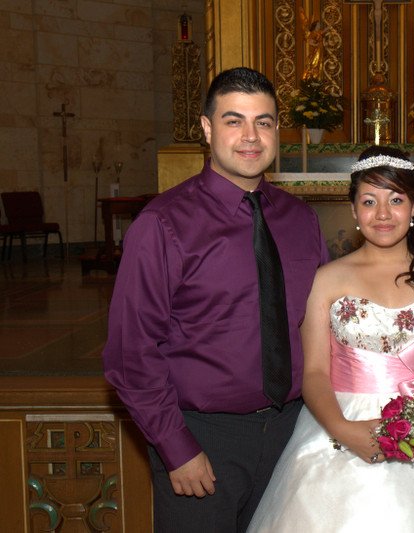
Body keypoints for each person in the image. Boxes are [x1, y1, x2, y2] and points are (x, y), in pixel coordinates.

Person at [103, 67, 328, 532]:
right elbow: (131, 353)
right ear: (207, 129)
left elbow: (327, 324)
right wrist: (176, 447)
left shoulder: (300, 219)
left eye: (263, 122)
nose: (250, 136)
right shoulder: (163, 224)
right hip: (204, 439)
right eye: (233, 120)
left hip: (292, 433)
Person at [246, 146, 414, 532]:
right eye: (369, 201)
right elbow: (315, 371)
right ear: (354, 211)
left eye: (396, 200)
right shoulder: (326, 279)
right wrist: (341, 429)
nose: (383, 214)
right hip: (344, 422)